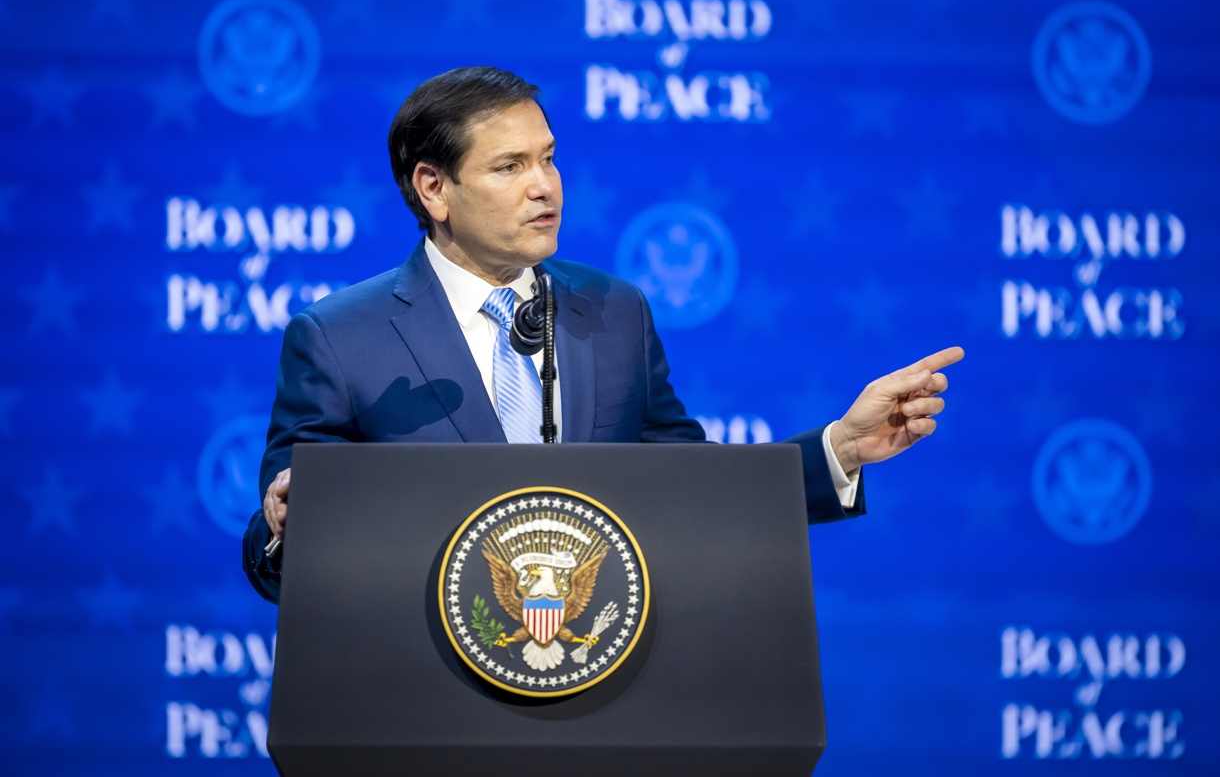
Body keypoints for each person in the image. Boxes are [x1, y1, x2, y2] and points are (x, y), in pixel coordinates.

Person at [242, 66, 963, 603]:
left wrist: (838, 446)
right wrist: (288, 520)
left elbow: (694, 485)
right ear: (434, 189)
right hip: (424, 708)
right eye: (510, 166)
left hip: (602, 700)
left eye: (549, 158)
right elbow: (276, 555)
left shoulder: (612, 312)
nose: (545, 186)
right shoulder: (340, 338)